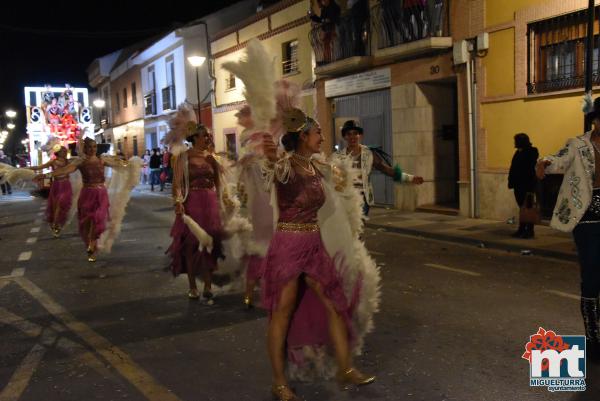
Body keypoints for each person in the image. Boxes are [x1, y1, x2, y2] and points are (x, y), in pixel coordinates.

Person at [536, 95, 600, 359]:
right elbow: (557, 159)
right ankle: (594, 339)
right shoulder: (578, 145)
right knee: (592, 277)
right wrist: (544, 163)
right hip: (587, 217)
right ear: (596, 120)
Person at [38, 138, 135, 262]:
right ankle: (90, 243)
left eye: (94, 146)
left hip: (101, 194)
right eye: (89, 147)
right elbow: (65, 170)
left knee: (98, 218)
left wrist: (128, 163)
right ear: (85, 149)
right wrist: (47, 175)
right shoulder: (80, 162)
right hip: (87, 194)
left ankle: (92, 245)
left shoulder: (102, 159)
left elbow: (120, 165)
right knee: (87, 221)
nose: (92, 149)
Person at [166, 109, 226, 303]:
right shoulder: (183, 157)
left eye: (208, 136)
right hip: (192, 203)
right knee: (192, 245)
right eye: (204, 136)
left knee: (210, 243)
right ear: (194, 138)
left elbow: (218, 183)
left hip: (210, 204)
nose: (208, 139)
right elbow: (176, 182)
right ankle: (193, 286)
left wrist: (222, 202)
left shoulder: (212, 158)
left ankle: (208, 285)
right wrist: (178, 202)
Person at [336, 120, 424, 215]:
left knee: (358, 227)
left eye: (355, 133)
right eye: (349, 134)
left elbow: (385, 169)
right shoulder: (338, 157)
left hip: (363, 198)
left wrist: (410, 178)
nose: (352, 137)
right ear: (344, 137)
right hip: (345, 198)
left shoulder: (369, 154)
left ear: (360, 135)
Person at [29, 145, 72, 236]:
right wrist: (27, 169)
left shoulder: (68, 162)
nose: (65, 152)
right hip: (56, 186)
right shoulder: (53, 162)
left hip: (66, 185)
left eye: (65, 151)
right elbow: (39, 167)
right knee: (55, 207)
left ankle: (56, 224)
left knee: (61, 204)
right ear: (58, 153)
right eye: (63, 151)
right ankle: (55, 224)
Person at [508, 133, 539, 238]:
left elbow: (529, 170)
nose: (514, 143)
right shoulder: (518, 152)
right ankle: (521, 230)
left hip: (528, 186)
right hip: (518, 185)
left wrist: (531, 187)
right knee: (522, 208)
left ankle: (529, 231)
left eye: (516, 141)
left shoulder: (531, 151)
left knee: (528, 208)